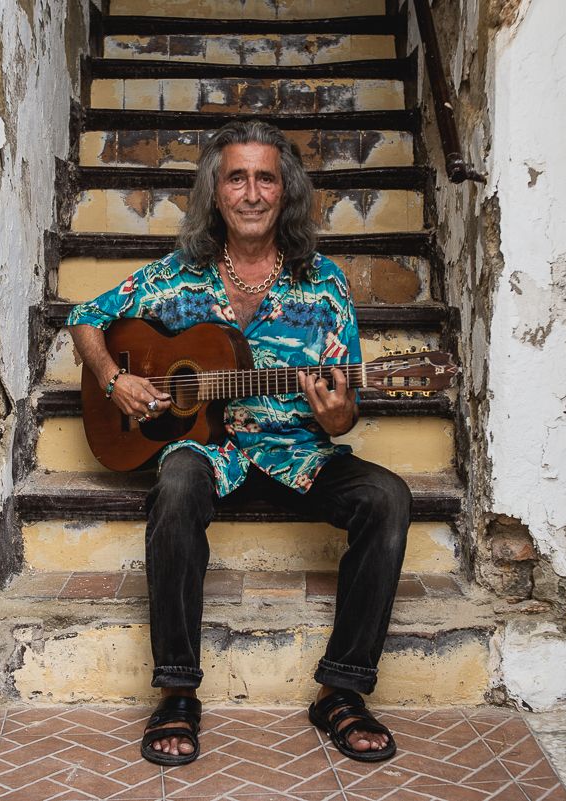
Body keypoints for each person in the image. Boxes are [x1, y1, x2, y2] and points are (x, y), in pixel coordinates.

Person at [66, 120, 411, 766]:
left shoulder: (325, 285)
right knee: (175, 481)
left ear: (286, 192)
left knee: (387, 497)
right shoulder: (176, 277)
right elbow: (85, 318)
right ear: (215, 191)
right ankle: (176, 690)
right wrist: (115, 380)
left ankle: (341, 690)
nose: (251, 193)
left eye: (266, 178)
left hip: (296, 453)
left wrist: (338, 415)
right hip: (210, 453)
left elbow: (343, 415)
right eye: (237, 178)